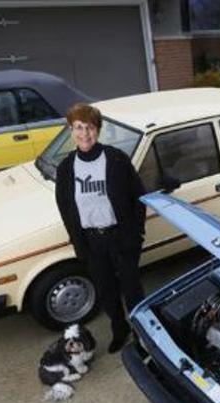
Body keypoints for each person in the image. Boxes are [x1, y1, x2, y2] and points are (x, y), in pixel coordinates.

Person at [54, 103, 146, 354]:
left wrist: (136, 234)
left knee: (132, 289)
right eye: (79, 128)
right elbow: (65, 208)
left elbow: (138, 196)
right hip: (92, 241)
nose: (85, 134)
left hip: (121, 237)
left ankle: (142, 333)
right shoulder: (66, 168)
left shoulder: (116, 159)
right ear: (71, 131)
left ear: (98, 130)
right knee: (107, 291)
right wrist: (78, 243)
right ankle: (120, 329)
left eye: (90, 128)